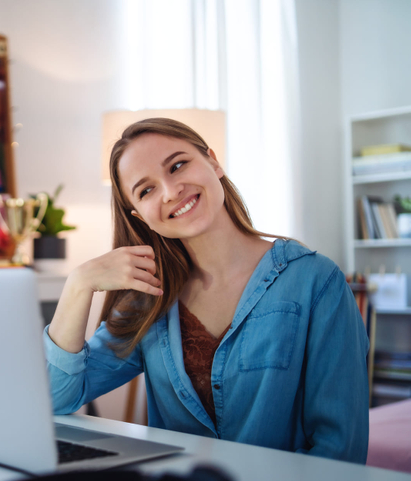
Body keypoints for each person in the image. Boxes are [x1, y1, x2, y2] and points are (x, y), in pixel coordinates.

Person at [44, 118, 369, 463]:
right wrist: (78, 284)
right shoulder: (149, 300)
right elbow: (57, 397)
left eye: (178, 165)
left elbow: (339, 448)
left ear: (214, 162)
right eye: (146, 190)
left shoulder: (316, 282)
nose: (170, 191)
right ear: (139, 216)